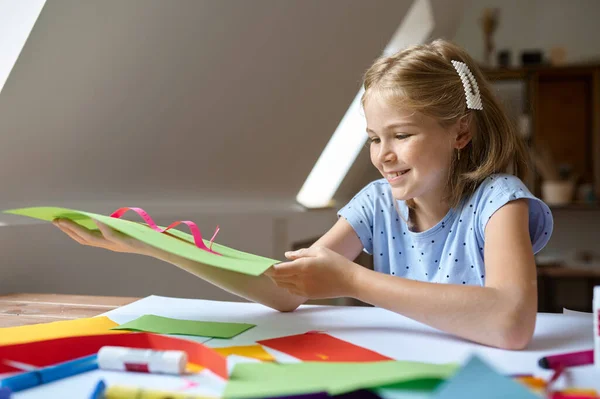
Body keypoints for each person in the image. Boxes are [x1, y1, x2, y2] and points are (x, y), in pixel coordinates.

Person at [53, 39, 552, 350]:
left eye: (401, 135)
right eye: (375, 139)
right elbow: (284, 287)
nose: (384, 155)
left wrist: (354, 281)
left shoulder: (500, 201)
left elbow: (510, 324)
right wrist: (150, 244)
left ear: (460, 132)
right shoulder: (376, 202)